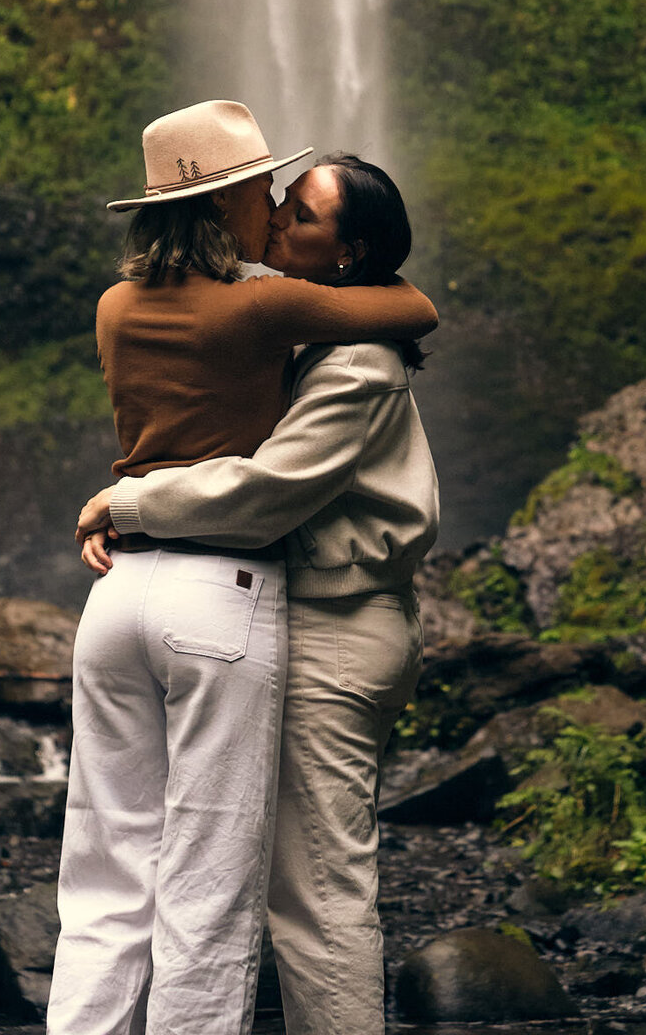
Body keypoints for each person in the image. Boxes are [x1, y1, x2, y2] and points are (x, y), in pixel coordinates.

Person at [48, 104, 437, 1035]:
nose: (276, 212)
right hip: (236, 607)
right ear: (227, 207)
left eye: (298, 208)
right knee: (220, 879)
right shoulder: (279, 320)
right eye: (272, 200)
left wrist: (128, 501)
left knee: (300, 888)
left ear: (348, 254)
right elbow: (412, 305)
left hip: (331, 628)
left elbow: (270, 488)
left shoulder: (350, 361)